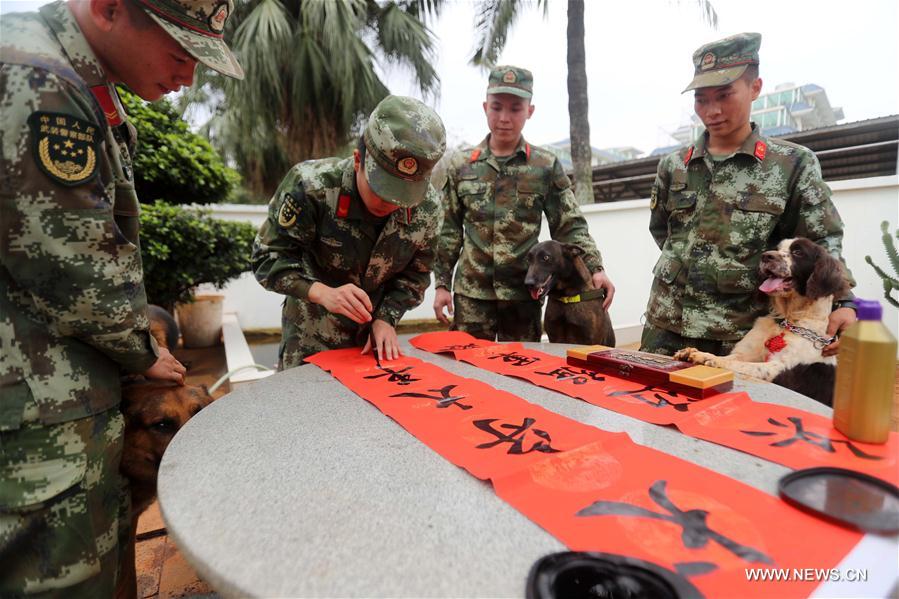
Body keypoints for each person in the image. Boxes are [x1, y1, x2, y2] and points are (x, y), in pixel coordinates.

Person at [0, 0, 242, 595]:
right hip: (36, 406)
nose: (188, 75)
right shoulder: (42, 78)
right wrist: (142, 348)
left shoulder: (82, 81)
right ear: (110, 8)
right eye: (179, 51)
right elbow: (66, 255)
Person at [640, 32, 855, 357]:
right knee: (645, 406)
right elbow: (663, 232)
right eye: (701, 99)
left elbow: (821, 240)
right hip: (665, 325)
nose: (711, 110)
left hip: (741, 335)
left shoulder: (792, 163)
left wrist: (843, 302)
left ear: (755, 88)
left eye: (725, 95)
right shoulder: (674, 165)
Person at [252, 95, 446, 369]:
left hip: (372, 347)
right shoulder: (312, 187)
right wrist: (321, 292)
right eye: (382, 190)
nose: (390, 204)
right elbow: (266, 258)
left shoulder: (427, 207)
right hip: (310, 343)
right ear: (358, 160)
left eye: (403, 196)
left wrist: (386, 318)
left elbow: (416, 275)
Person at [433, 65, 615, 341]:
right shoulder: (461, 165)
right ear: (485, 107)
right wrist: (442, 285)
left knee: (521, 376)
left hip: (523, 295)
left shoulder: (544, 166)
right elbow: (448, 231)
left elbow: (569, 226)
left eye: (515, 108)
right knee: (469, 371)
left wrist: (596, 268)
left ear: (529, 111)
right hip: (472, 295)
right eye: (497, 107)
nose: (504, 118)